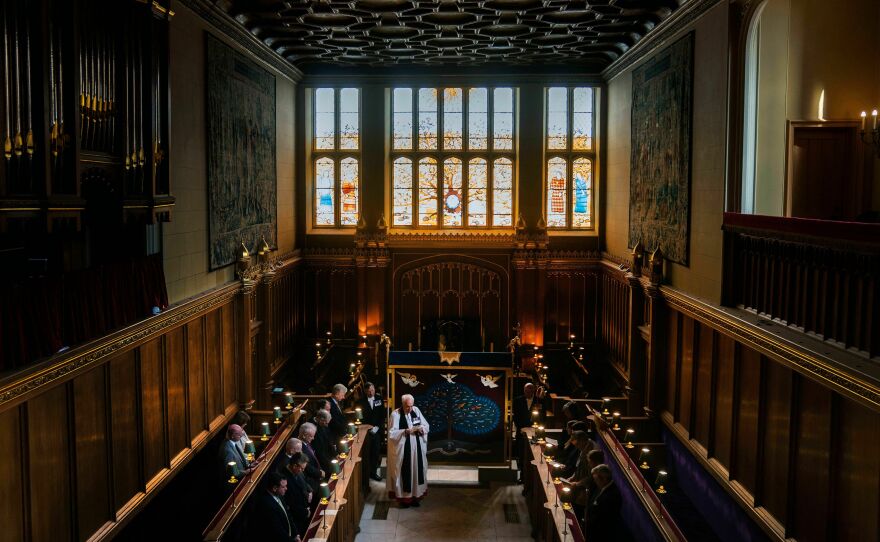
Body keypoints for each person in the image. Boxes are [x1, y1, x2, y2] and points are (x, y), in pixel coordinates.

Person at [387, 394, 429, 508]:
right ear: (402, 404)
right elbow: (391, 433)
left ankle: (416, 496)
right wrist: (405, 431)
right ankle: (404, 499)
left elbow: (426, 425)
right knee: (406, 472)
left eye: (411, 406)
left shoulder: (416, 410)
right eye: (407, 406)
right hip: (404, 450)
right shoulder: (395, 414)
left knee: (416, 471)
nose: (409, 409)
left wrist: (421, 429)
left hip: (417, 450)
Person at [251, 472, 300, 542]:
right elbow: (278, 531)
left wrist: (296, 534)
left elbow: (288, 516)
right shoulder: (266, 505)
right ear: (274, 488)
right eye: (283, 487)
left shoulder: (279, 495)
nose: (286, 489)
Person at [512, 382, 545, 484]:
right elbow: (515, 417)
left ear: (533, 391)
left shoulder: (538, 401)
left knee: (533, 456)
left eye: (530, 390)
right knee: (522, 455)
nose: (528, 392)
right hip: (521, 432)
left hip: (535, 433)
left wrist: (534, 428)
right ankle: (522, 476)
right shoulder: (517, 401)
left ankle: (531, 479)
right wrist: (523, 428)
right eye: (526, 390)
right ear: (524, 390)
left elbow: (542, 417)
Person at [562, 430, 596, 521]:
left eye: (577, 445)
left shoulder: (591, 451)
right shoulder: (583, 447)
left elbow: (591, 476)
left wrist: (577, 483)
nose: (576, 447)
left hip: (585, 490)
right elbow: (579, 465)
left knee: (576, 512)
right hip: (578, 483)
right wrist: (573, 476)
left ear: (582, 441)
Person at [584, 464, 624, 542]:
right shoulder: (604, 486)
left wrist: (588, 521)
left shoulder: (611, 496)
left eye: (596, 480)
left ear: (604, 479)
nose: (595, 482)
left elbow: (603, 519)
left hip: (601, 533)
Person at [358, 382, 385, 482]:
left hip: (377, 431)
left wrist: (377, 427)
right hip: (365, 432)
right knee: (366, 453)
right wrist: (366, 428)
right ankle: (365, 475)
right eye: (369, 391)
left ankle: (373, 473)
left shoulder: (379, 399)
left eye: (373, 390)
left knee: (375, 452)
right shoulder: (360, 402)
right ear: (365, 391)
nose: (371, 392)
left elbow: (382, 415)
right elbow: (359, 418)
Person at [282, 453, 313, 539]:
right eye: (301, 469)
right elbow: (291, 503)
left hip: (304, 510)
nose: (302, 471)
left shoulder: (297, 472)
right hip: (296, 518)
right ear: (295, 466)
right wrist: (305, 512)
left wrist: (310, 491)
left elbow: (304, 482)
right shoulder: (284, 479)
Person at [298, 422, 325, 494]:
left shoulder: (307, 443)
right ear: (304, 436)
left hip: (317, 477)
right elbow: (306, 466)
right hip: (311, 482)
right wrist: (319, 473)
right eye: (311, 436)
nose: (313, 438)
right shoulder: (299, 447)